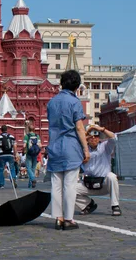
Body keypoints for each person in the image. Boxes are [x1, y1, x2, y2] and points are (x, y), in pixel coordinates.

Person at [47, 69, 90, 230]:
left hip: (54, 146)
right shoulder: (75, 102)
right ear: (77, 86)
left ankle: (58, 217)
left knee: (56, 184)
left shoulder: (51, 102)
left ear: (61, 84)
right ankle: (69, 218)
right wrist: (86, 149)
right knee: (70, 184)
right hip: (70, 146)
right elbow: (79, 128)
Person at [75, 125, 121, 217]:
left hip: (104, 184)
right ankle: (88, 205)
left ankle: (115, 206)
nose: (94, 139)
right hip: (88, 184)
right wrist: (84, 136)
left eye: (96, 137)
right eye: (91, 137)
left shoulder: (105, 147)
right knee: (69, 189)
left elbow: (114, 138)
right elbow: (75, 144)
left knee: (111, 176)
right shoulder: (83, 149)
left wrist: (101, 129)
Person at [0, 125, 18, 189]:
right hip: (10, 154)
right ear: (7, 129)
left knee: (1, 169)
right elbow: (15, 146)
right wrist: (15, 155)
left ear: (1, 130)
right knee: (12, 168)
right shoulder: (12, 136)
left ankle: (1, 184)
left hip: (1, 155)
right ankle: (13, 178)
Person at [23, 124, 42, 188]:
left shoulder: (27, 136)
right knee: (33, 169)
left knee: (28, 168)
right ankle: (30, 184)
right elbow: (40, 145)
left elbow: (24, 145)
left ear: (28, 129)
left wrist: (23, 150)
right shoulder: (37, 136)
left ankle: (33, 179)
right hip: (35, 154)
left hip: (29, 154)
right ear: (34, 129)